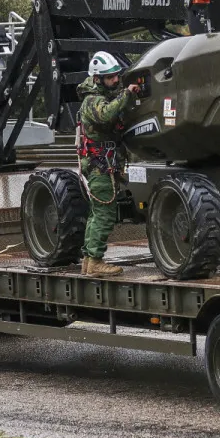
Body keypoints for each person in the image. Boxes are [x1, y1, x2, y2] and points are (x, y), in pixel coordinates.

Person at [76, 51, 141, 276]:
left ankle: (88, 261)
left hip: (102, 164)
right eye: (110, 77)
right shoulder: (92, 101)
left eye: (116, 75)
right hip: (99, 166)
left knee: (97, 214)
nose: (115, 80)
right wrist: (126, 94)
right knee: (104, 213)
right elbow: (106, 115)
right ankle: (95, 262)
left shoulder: (101, 96)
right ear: (97, 79)